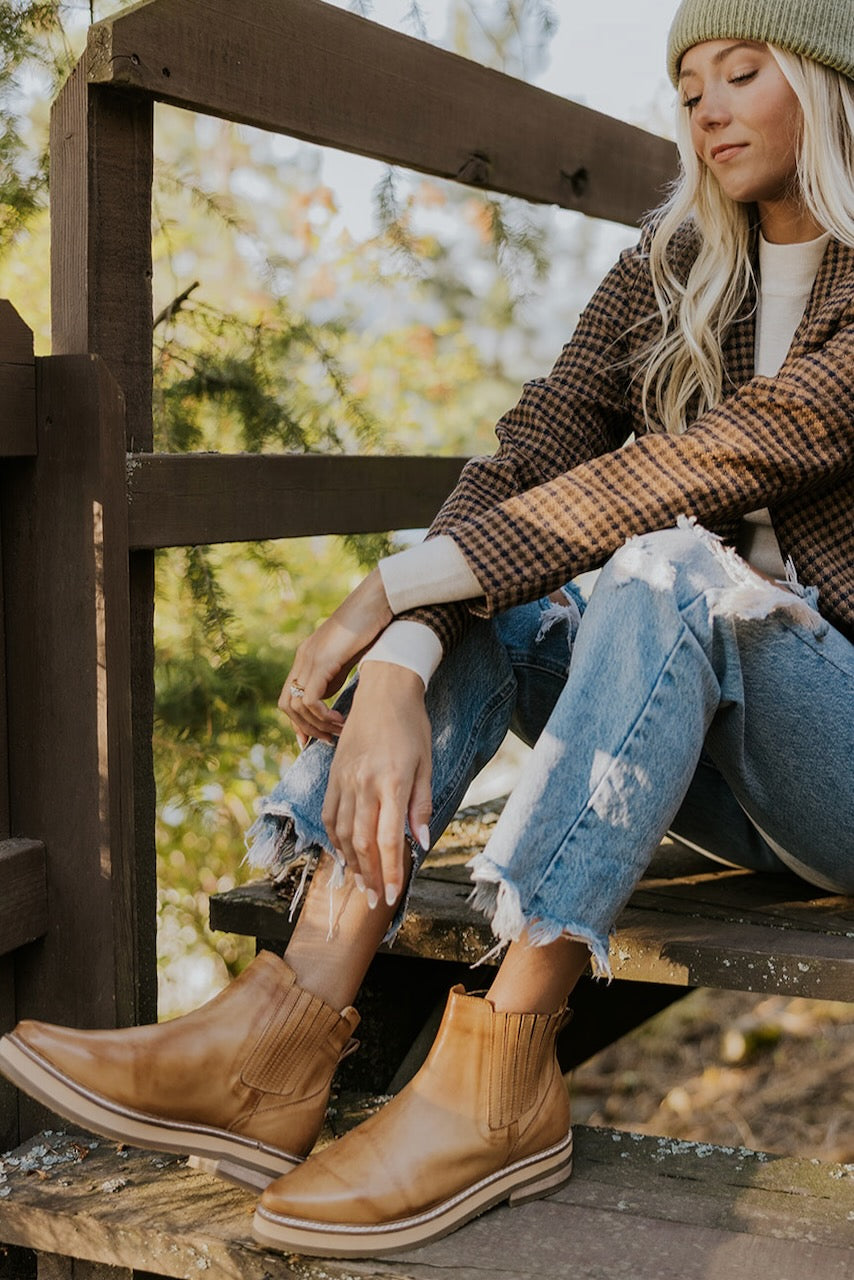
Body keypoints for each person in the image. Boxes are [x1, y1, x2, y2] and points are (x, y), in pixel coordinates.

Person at [2, 0, 853, 1260]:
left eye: (742, 71)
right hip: (736, 766)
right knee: (540, 578)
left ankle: (502, 1069)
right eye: (685, 84)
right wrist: (403, 655)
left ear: (826, 88)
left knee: (663, 560)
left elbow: (710, 461)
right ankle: (282, 1029)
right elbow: (533, 449)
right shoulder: (674, 262)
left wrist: (395, 590)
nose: (706, 106)